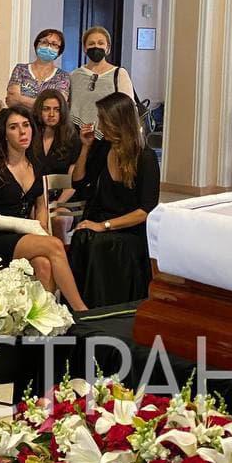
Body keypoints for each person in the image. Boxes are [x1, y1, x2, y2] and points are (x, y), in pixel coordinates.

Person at [0, 105, 87, 313]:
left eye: (26, 125)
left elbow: (41, 205)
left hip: (26, 236)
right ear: (4, 134)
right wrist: (24, 225)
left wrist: (40, 230)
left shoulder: (36, 163)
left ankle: (44, 320)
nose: (22, 132)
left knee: (44, 264)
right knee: (55, 245)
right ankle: (80, 311)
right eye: (14, 127)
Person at [68, 92, 160, 306]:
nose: (99, 125)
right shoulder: (103, 148)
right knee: (82, 237)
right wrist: (85, 147)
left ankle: (104, 307)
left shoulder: (145, 157)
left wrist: (104, 226)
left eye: (103, 120)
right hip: (101, 219)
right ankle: (79, 306)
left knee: (101, 243)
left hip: (129, 228)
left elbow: (145, 211)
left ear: (118, 122)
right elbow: (78, 182)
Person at [68, 25, 136, 129]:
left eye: (100, 43)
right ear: (85, 48)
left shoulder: (119, 74)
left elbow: (128, 107)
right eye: (91, 43)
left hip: (111, 132)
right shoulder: (74, 76)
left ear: (107, 48)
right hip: (78, 132)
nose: (96, 46)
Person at [6, 28, 70, 107]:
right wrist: (45, 105)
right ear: (36, 45)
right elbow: (12, 100)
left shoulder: (63, 76)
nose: (48, 47)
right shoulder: (20, 69)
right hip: (20, 115)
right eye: (44, 42)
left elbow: (58, 104)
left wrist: (21, 99)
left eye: (54, 44)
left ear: (59, 51)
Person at [32, 89, 81, 178]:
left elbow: (73, 177)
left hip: (61, 186)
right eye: (46, 109)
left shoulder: (72, 136)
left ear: (62, 112)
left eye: (57, 110)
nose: (51, 114)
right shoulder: (30, 133)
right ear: (39, 110)